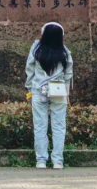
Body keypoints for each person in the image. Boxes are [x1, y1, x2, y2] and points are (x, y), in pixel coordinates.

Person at [25, 21, 72, 169]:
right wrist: (67, 91)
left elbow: (29, 70)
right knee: (59, 126)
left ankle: (41, 161)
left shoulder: (36, 49)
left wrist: (29, 90)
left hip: (39, 90)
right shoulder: (64, 51)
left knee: (40, 126)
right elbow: (68, 74)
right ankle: (58, 161)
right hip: (58, 91)